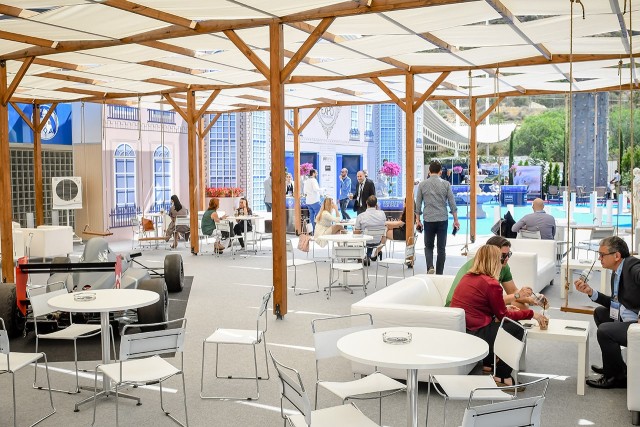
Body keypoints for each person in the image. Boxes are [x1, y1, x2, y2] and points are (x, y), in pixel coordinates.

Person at [450, 245, 548, 385]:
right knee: (516, 328)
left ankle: (489, 364)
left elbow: (480, 307)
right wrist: (532, 314)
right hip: (475, 333)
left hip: (463, 329)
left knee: (500, 323)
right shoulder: (491, 283)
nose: (503, 260)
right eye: (501, 258)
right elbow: (504, 316)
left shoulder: (468, 277)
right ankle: (502, 376)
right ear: (494, 261)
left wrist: (505, 308)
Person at [574, 236, 640, 389]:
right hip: (626, 315)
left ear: (616, 256)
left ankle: (616, 378)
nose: (599, 258)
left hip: (636, 321)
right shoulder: (617, 271)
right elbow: (616, 303)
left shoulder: (632, 266)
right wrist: (591, 292)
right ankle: (615, 367)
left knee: (605, 331)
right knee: (600, 313)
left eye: (602, 255)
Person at [445, 236, 546, 310]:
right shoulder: (479, 267)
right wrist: (519, 297)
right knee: (517, 308)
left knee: (522, 307)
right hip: (461, 305)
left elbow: (512, 291)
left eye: (509, 254)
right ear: (492, 253)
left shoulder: (503, 266)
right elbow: (490, 300)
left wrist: (532, 299)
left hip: (482, 302)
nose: (507, 258)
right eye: (503, 255)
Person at [415, 161, 460, 274]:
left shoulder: (422, 185)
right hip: (442, 219)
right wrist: (456, 220)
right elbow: (452, 203)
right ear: (440, 172)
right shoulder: (446, 184)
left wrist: (417, 220)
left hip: (428, 219)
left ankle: (430, 266)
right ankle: (439, 273)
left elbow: (418, 204)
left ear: (429, 171)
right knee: (441, 248)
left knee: (428, 246)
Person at [354, 195, 386, 266]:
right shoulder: (382, 214)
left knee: (358, 234)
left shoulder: (361, 216)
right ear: (376, 204)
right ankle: (369, 255)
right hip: (378, 241)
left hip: (366, 241)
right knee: (370, 235)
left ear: (366, 203)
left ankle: (360, 256)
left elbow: (357, 232)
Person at [303, 168, 322, 234]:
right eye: (316, 173)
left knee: (311, 217)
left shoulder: (306, 181)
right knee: (319, 215)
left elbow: (304, 191)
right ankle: (318, 231)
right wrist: (323, 189)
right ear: (313, 173)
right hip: (315, 201)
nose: (317, 174)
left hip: (308, 201)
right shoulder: (313, 180)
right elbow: (316, 189)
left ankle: (313, 231)